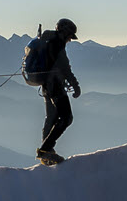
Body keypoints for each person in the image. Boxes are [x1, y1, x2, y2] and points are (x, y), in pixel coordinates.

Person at [36, 18, 82, 165]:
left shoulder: (49, 42)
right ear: (64, 32)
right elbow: (65, 68)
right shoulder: (57, 45)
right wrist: (76, 86)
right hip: (55, 86)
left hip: (46, 85)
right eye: (69, 36)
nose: (70, 39)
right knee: (66, 117)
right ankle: (45, 150)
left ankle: (46, 153)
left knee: (52, 118)